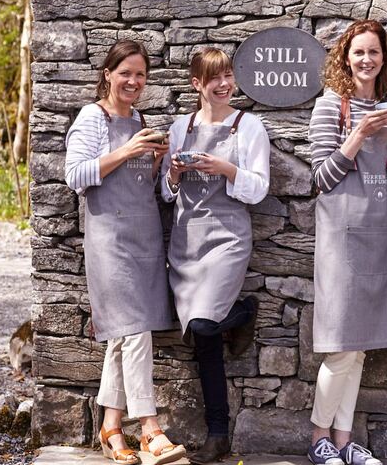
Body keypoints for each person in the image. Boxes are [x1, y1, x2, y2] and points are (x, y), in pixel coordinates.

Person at [65, 40, 186, 465]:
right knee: (135, 330)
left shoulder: (141, 119)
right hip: (109, 239)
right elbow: (74, 175)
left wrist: (163, 166)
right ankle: (149, 427)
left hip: (145, 236)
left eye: (140, 75)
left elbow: (154, 191)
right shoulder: (91, 118)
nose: (133, 81)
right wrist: (127, 151)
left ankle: (112, 428)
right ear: (108, 74)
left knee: (124, 334)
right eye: (126, 73)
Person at [306, 20, 387, 465]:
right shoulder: (331, 107)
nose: (367, 60)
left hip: (380, 233)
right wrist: (360, 134)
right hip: (342, 239)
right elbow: (321, 178)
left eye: (374, 53)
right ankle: (318, 439)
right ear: (345, 59)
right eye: (359, 53)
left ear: (384, 59)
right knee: (342, 344)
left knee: (361, 345)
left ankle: (344, 443)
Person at [160, 47, 269, 464]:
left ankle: (243, 310)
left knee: (205, 323)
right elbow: (168, 194)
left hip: (227, 238)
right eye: (214, 78)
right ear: (197, 85)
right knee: (202, 339)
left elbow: (258, 188)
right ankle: (218, 434)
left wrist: (224, 169)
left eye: (228, 76)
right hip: (187, 240)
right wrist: (173, 173)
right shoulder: (179, 127)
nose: (224, 84)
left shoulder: (249, 126)